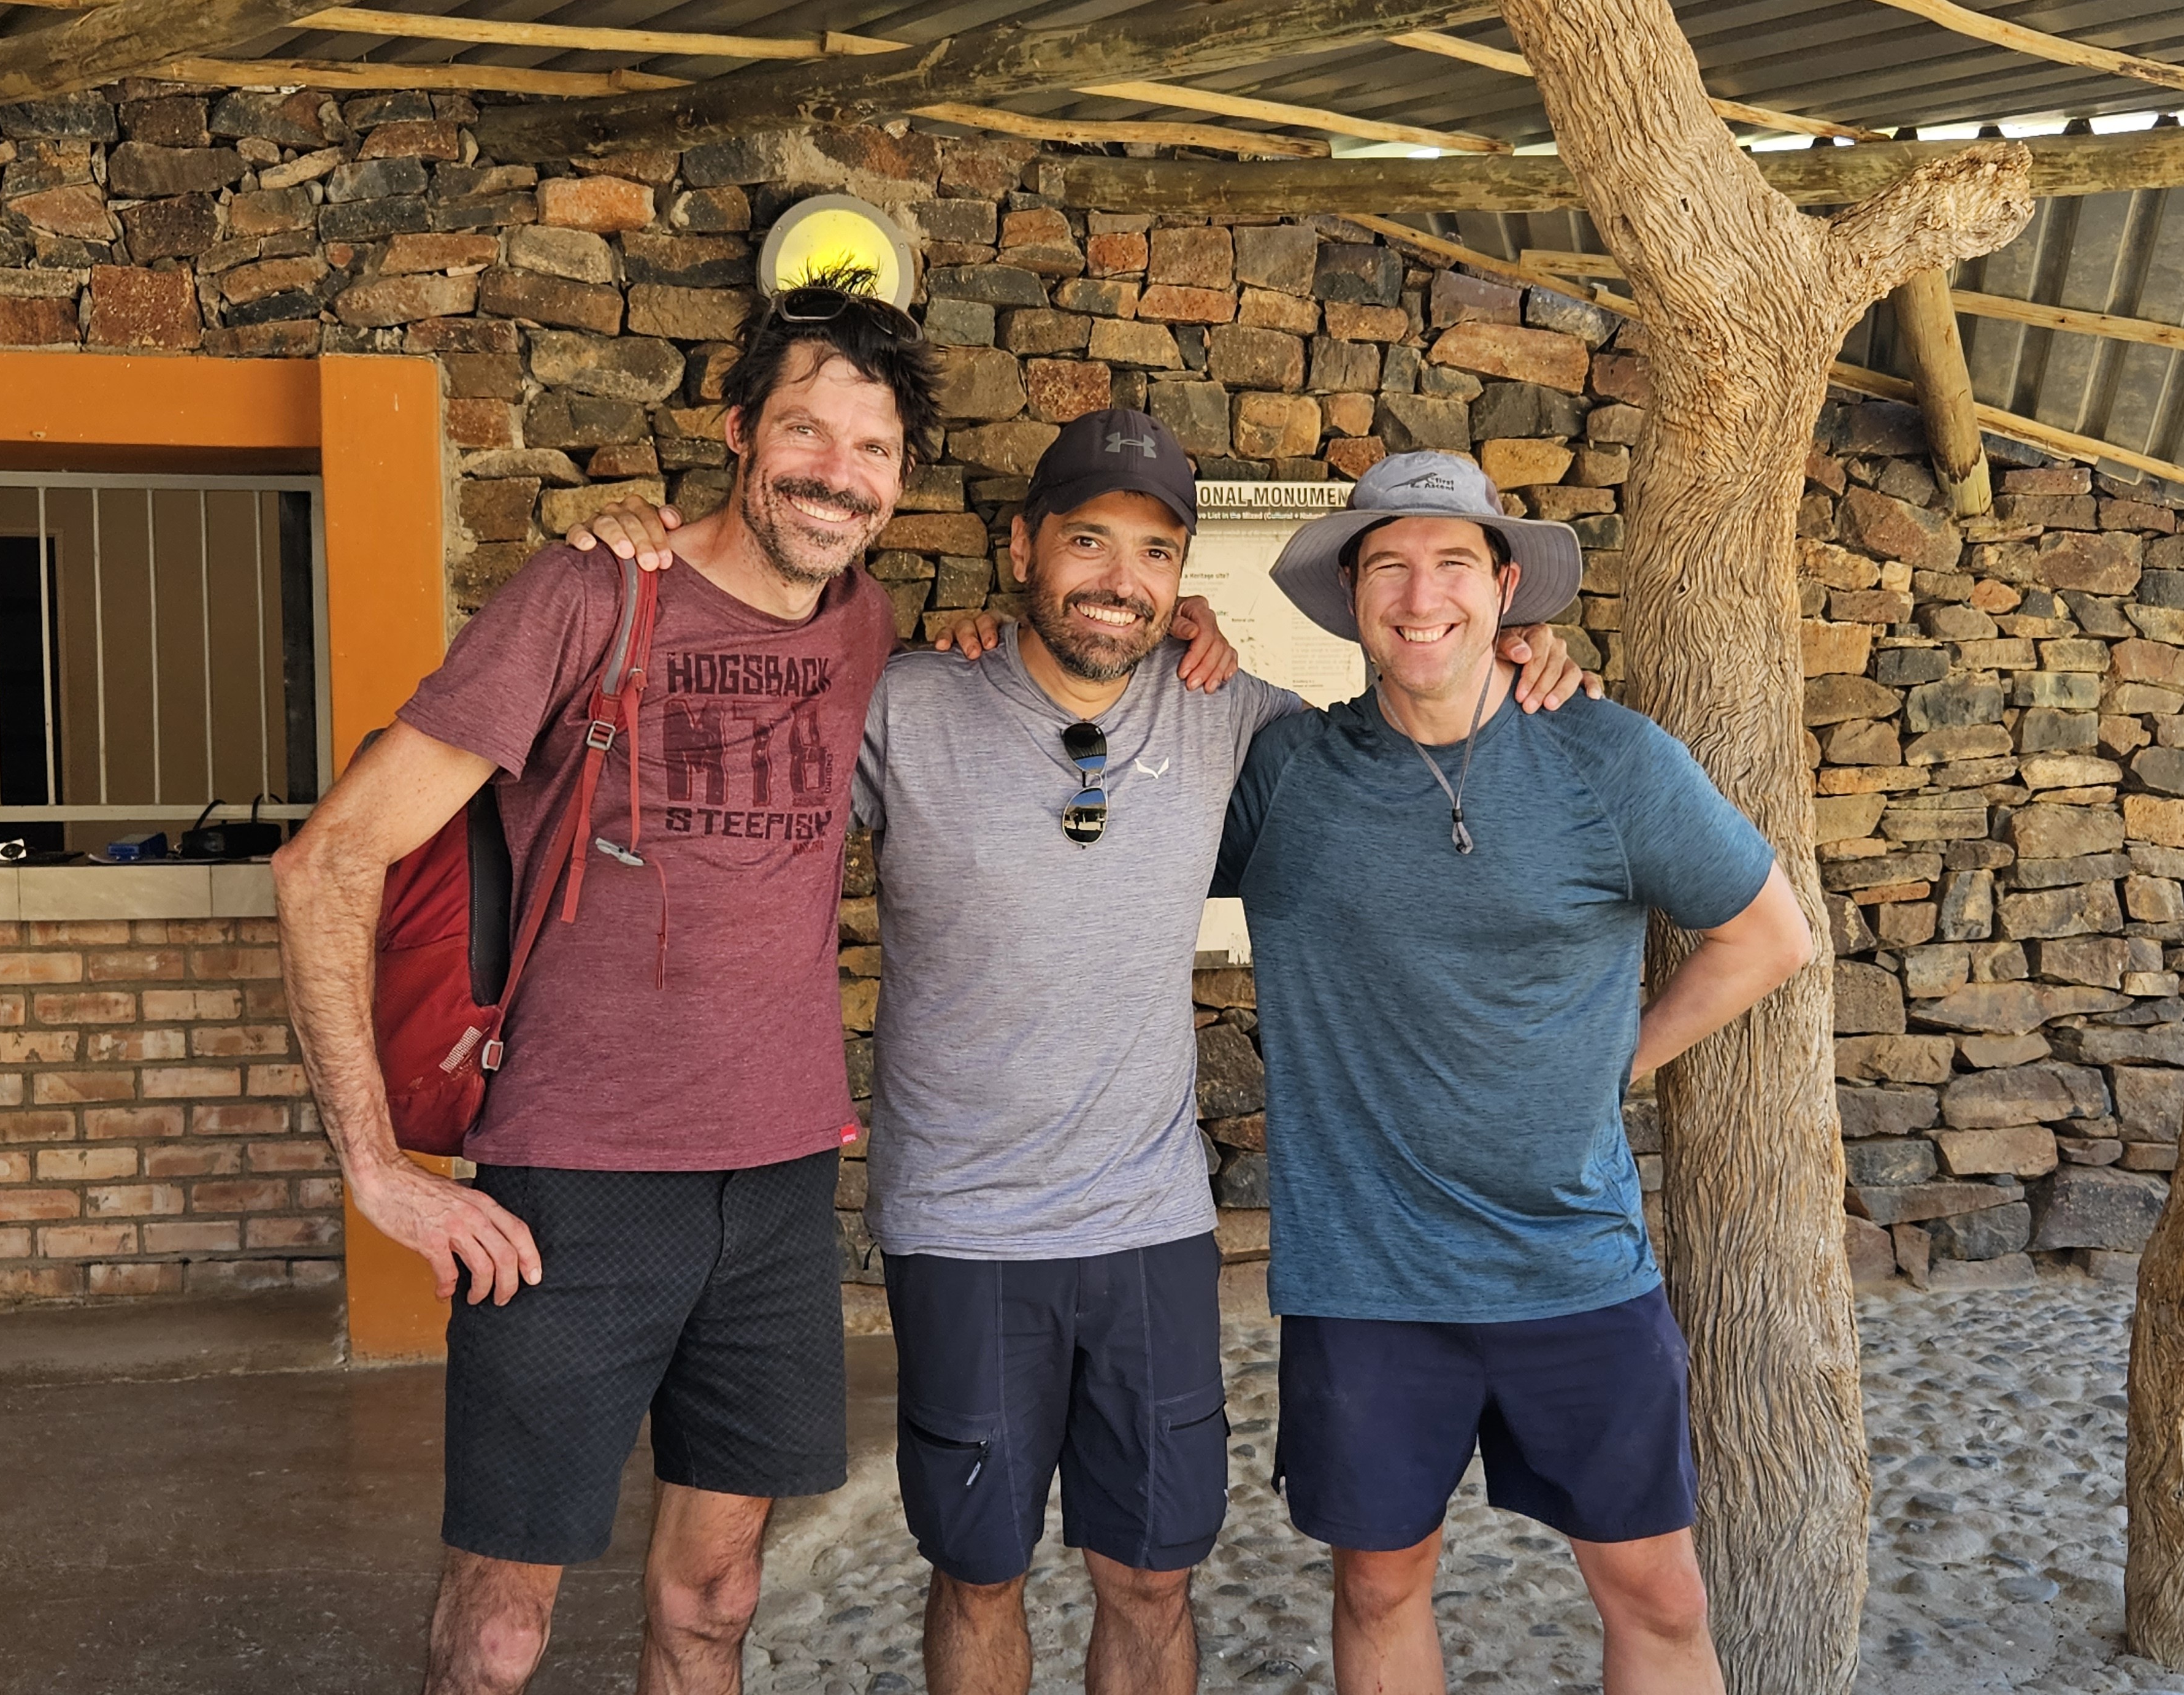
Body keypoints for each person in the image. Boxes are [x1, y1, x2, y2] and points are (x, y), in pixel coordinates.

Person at [583, 412, 1592, 1695]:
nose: (1121, 578)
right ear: (1022, 548)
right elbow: (727, 766)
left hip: (1149, 1231)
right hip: (964, 1231)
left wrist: (1523, 657)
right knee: (978, 1572)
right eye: (1088, 541)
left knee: (1151, 1575)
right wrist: (641, 569)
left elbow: (1415, 735)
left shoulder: (1233, 716)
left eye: (1155, 552)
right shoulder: (908, 703)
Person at [272, 276, 939, 1695]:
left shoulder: (867, 624)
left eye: (872, 447)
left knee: (718, 1598)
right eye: (806, 429)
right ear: (737, 430)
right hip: (568, 1188)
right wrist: (377, 1171)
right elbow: (327, 860)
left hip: (776, 1183)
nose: (836, 471)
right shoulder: (589, 592)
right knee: (500, 1634)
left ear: (899, 479)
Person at [1213, 451, 1815, 1695]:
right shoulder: (1286, 773)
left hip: (1574, 1263)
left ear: (1502, 588)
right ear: (1350, 594)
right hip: (1366, 1278)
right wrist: (1101, 645)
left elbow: (1767, 936)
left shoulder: (1608, 758)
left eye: (1451, 562)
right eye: (1387, 565)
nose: (1418, 594)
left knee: (1657, 1593)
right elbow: (1107, 783)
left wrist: (1614, 1064)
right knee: (1378, 1585)